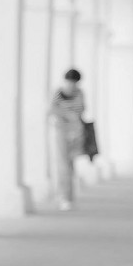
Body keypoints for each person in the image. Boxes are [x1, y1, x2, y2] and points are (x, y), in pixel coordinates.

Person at [48, 68, 86, 211]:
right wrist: (68, 115)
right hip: (62, 132)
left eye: (74, 82)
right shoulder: (58, 93)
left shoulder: (80, 93)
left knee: (70, 164)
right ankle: (63, 196)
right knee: (63, 164)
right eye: (70, 82)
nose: (72, 85)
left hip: (76, 132)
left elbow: (81, 110)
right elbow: (51, 110)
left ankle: (69, 196)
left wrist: (72, 117)